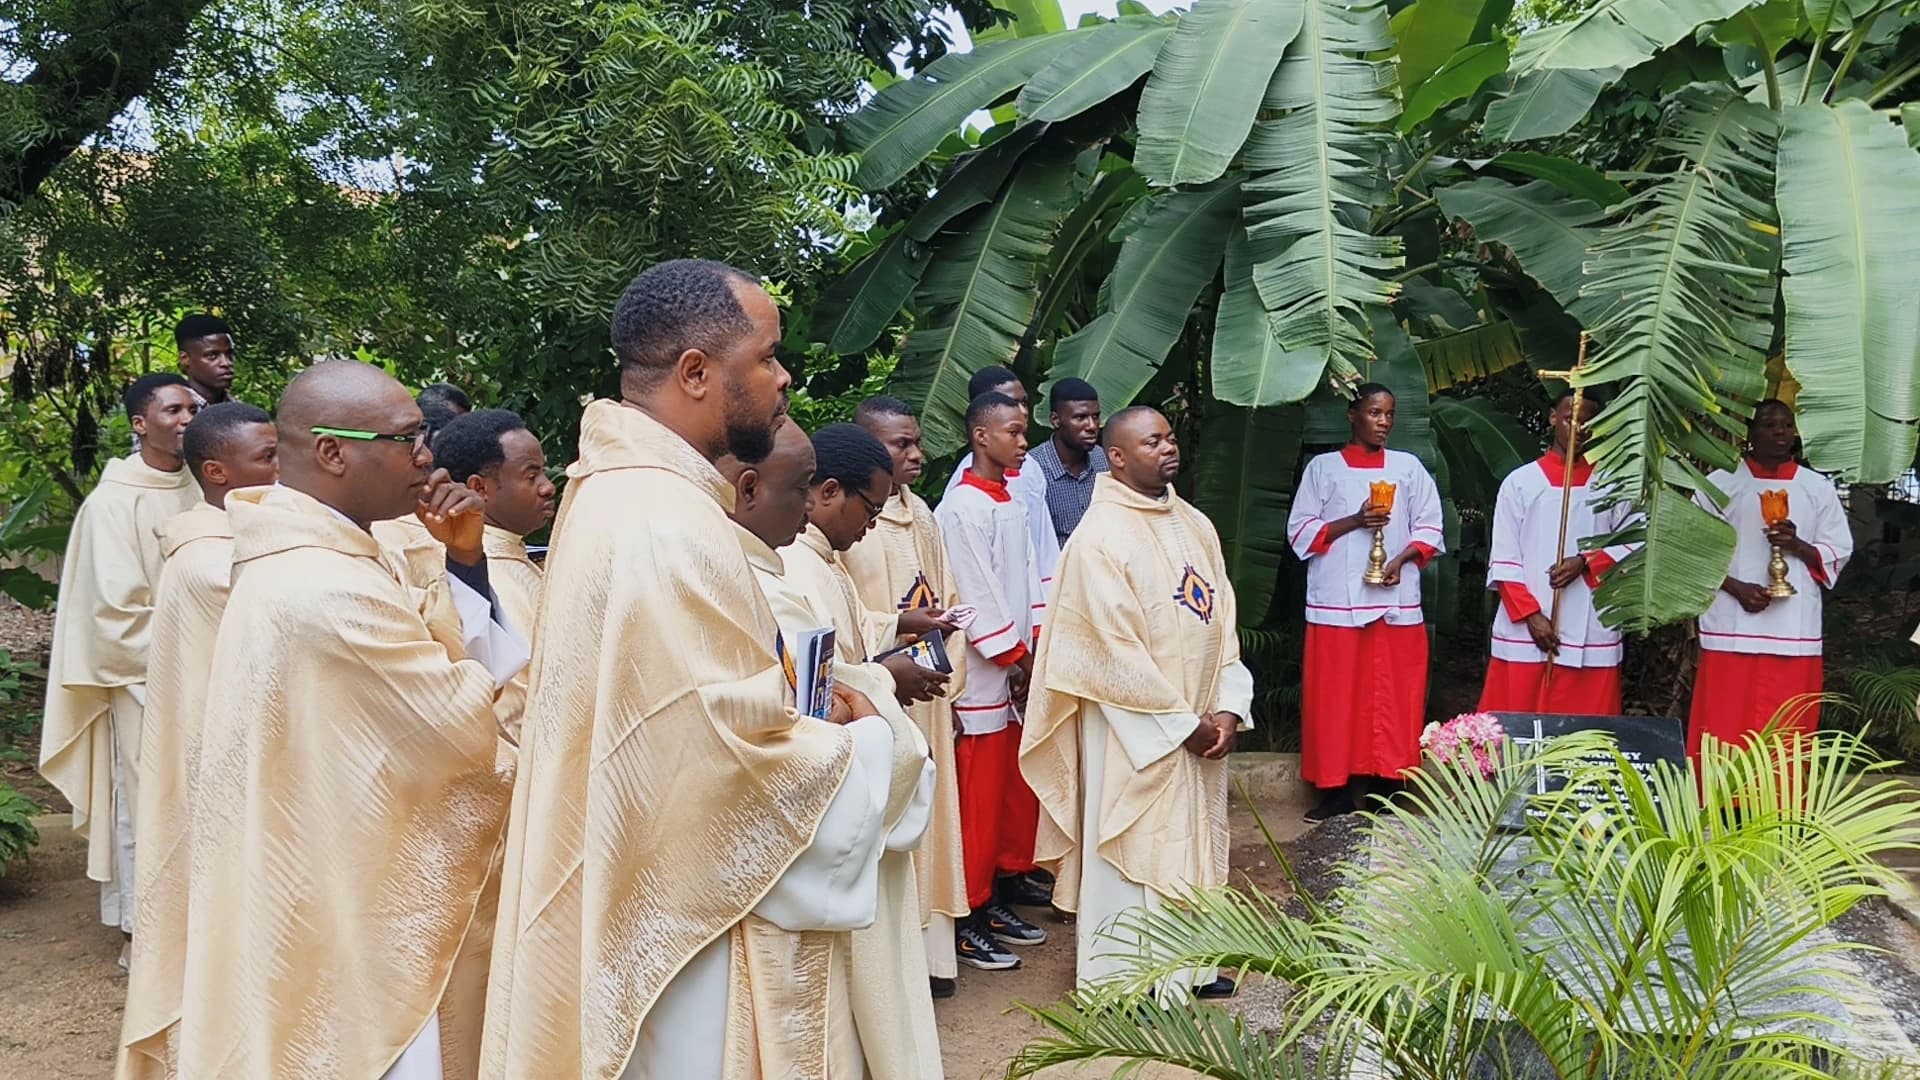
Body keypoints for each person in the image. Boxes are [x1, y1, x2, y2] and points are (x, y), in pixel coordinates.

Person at [480, 259, 897, 1078]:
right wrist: (858, 734)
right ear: (697, 372)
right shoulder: (665, 523)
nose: (782, 380)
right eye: (768, 357)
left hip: (654, 880)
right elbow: (725, 758)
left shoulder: (620, 493)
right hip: (687, 915)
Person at [177, 360, 528, 1079]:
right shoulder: (323, 589)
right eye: (408, 439)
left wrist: (462, 564)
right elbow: (461, 730)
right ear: (333, 452)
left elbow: (436, 660)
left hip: (353, 866)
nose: (428, 456)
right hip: (371, 903)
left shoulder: (327, 557)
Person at [726, 421, 942, 1080]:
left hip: (862, 790)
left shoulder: (818, 560)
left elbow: (841, 660)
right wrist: (884, 679)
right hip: (842, 801)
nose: (873, 526)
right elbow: (817, 694)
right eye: (868, 509)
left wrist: (874, 667)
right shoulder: (789, 562)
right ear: (824, 492)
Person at [1021, 405, 1254, 999]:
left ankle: (1191, 968)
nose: (1168, 448)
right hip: (1134, 733)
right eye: (1152, 442)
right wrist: (1181, 724)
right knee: (1130, 854)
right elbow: (1108, 655)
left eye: (1171, 437)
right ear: (1117, 457)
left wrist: (1226, 705)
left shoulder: (1196, 525)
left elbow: (1223, 620)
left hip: (1200, 725)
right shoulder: (1098, 540)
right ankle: (1123, 984)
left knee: (1192, 844)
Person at [119, 402, 277, 1078]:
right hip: (228, 773)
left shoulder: (243, 541)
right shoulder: (213, 561)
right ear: (217, 473)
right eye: (268, 458)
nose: (283, 468)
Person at [39, 373, 200, 947]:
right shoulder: (113, 503)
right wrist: (203, 635)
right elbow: (115, 614)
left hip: (212, 674)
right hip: (146, 680)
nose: (187, 419)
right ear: (140, 424)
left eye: (193, 408)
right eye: (173, 410)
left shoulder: (209, 485)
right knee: (151, 801)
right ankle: (147, 932)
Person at [845, 395, 971, 998]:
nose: (916, 454)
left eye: (917, 442)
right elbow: (846, 620)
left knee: (932, 823)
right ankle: (895, 968)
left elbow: (945, 598)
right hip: (879, 694)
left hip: (931, 691)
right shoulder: (847, 523)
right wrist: (894, 642)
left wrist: (951, 678)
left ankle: (933, 959)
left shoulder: (921, 512)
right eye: (901, 445)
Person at [1286, 383, 1444, 822]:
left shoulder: (1408, 468)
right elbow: (1301, 532)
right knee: (1335, 697)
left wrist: (1402, 558)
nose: (1384, 423)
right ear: (1352, 414)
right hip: (1336, 602)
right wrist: (1356, 520)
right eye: (1375, 413)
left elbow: (1430, 528)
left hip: (1395, 602)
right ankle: (1334, 792)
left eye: (1390, 414)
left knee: (1392, 697)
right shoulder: (1323, 469)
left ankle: (1386, 788)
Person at [936, 390, 1051, 972]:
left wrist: (1034, 653)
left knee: (1009, 795)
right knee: (976, 803)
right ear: (981, 437)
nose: (1023, 441)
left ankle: (998, 895)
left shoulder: (1010, 501)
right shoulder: (961, 508)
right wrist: (1018, 661)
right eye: (1013, 431)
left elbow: (1028, 581)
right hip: (982, 677)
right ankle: (967, 917)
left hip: (1014, 672)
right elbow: (975, 598)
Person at [1689, 400, 1851, 756]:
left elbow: (1837, 550)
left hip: (1792, 629)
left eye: (1786, 425)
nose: (1779, 432)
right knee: (1724, 721)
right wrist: (1736, 588)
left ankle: (1782, 802)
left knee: (1787, 728)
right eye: (1768, 425)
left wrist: (1796, 544)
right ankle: (1719, 800)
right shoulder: (1719, 484)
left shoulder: (1816, 487)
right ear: (1750, 433)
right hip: (1731, 622)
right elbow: (1692, 551)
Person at [1478, 389, 1637, 714]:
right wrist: (1531, 616)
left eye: (1588, 422)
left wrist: (1586, 561)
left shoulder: (1612, 486)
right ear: (1553, 418)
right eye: (1570, 419)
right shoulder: (1520, 483)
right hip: (1528, 620)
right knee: (1519, 715)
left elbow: (1635, 540)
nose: (1578, 428)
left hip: (1590, 616)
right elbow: (1504, 559)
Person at [431, 408, 556, 740]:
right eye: (532, 476)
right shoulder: (490, 579)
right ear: (480, 488)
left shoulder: (518, 558)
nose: (548, 488)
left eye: (543, 473)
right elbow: (515, 706)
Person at [943, 365, 1061, 592]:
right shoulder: (963, 492)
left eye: (1024, 402)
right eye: (1010, 403)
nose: (1022, 411)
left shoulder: (1031, 468)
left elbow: (1042, 537)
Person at [1024, 377, 1108, 545]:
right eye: (1080, 417)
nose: (1092, 426)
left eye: (1096, 416)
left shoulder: (1103, 460)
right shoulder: (1031, 469)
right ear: (1055, 420)